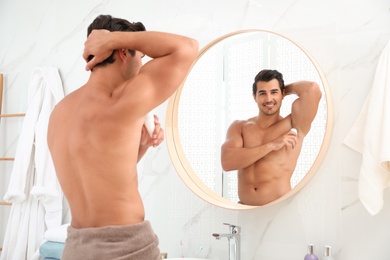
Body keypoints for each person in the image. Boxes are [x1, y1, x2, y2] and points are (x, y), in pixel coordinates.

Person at [47, 14, 198, 259]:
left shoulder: (59, 112)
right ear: (123, 52)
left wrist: (140, 148)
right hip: (125, 248)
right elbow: (187, 47)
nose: (142, 63)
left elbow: (95, 174)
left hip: (77, 248)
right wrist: (113, 39)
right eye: (140, 54)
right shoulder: (125, 98)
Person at [221, 69, 321, 206]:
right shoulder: (240, 126)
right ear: (254, 96)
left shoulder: (294, 124)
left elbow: (312, 89)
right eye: (262, 93)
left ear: (282, 94)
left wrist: (285, 89)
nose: (268, 99)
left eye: (274, 92)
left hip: (280, 211)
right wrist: (271, 145)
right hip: (244, 210)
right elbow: (227, 162)